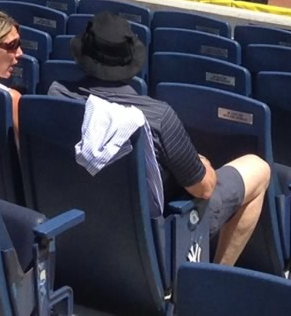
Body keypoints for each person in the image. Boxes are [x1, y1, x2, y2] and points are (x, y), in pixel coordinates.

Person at [48, 14, 272, 266]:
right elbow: (204, 188)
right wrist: (204, 167)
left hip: (83, 224)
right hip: (156, 234)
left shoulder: (55, 96)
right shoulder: (156, 115)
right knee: (259, 168)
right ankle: (217, 274)